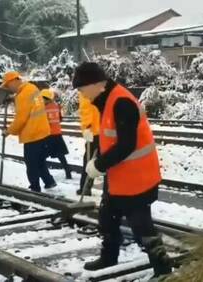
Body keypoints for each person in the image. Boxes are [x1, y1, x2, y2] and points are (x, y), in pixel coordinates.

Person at [73, 62, 172, 278]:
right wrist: (98, 153)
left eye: (81, 88)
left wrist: (99, 165)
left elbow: (127, 144)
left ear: (97, 84)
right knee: (107, 217)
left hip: (138, 178)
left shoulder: (121, 102)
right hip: (120, 176)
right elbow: (111, 137)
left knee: (142, 228)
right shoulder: (105, 100)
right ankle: (109, 256)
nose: (80, 93)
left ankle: (162, 268)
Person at [0, 71, 57, 192]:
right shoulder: (32, 87)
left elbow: (21, 118)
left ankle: (34, 188)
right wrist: (12, 99)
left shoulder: (22, 95)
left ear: (14, 81)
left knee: (31, 164)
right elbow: (30, 105)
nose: (9, 89)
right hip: (43, 131)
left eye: (8, 86)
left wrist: (8, 131)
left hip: (32, 134)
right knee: (40, 160)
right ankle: (49, 181)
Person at [41, 88, 72, 180]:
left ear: (45, 98)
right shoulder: (57, 106)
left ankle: (45, 176)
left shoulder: (43, 109)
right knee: (60, 155)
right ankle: (68, 172)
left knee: (41, 156)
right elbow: (60, 118)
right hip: (57, 134)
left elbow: (42, 122)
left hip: (48, 135)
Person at [77, 91, 100, 195]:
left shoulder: (85, 91)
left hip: (93, 132)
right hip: (104, 130)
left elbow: (86, 111)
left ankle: (85, 188)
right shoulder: (99, 88)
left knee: (89, 161)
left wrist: (87, 128)